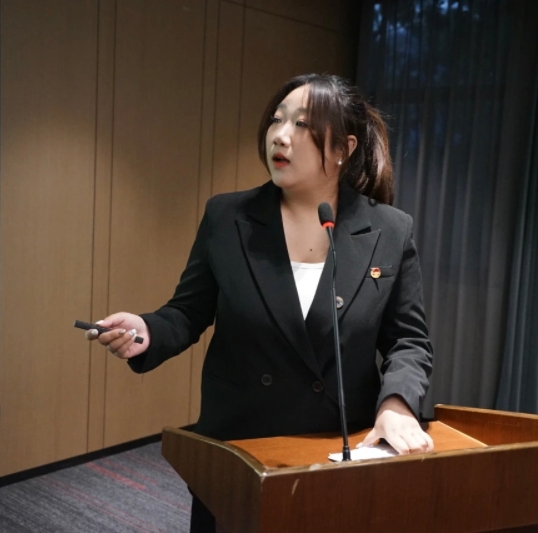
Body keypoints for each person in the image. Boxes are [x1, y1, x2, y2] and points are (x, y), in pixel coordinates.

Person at [85, 73, 434, 532]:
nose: (280, 135)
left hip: (338, 451)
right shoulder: (228, 216)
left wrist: (397, 404)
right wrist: (147, 330)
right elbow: (187, 312)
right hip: (240, 450)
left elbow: (409, 342)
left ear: (343, 149)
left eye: (302, 124)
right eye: (276, 120)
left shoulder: (390, 229)